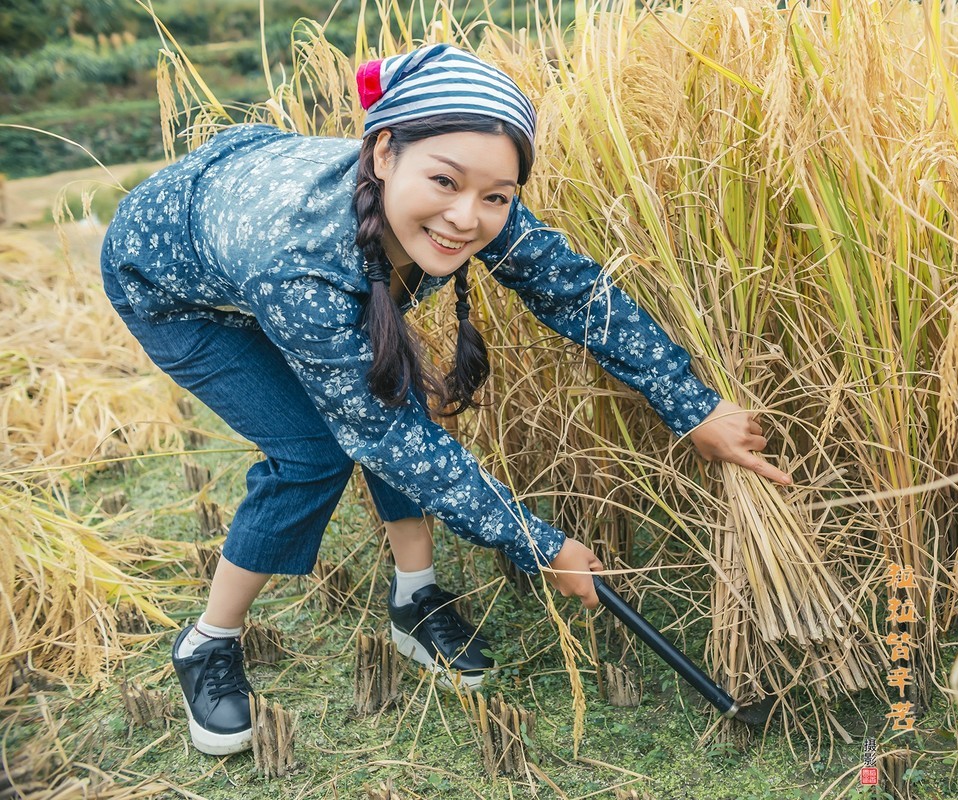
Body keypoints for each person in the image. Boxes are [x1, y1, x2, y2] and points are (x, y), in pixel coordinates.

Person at [100, 43, 791, 757]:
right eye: (445, 182)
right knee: (313, 451)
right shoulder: (299, 263)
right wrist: (542, 548)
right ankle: (208, 641)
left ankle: (415, 598)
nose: (468, 218)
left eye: (496, 196)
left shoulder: (461, 200)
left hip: (252, 220)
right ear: (383, 152)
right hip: (170, 284)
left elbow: (571, 288)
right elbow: (384, 437)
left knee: (391, 390)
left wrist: (693, 406)